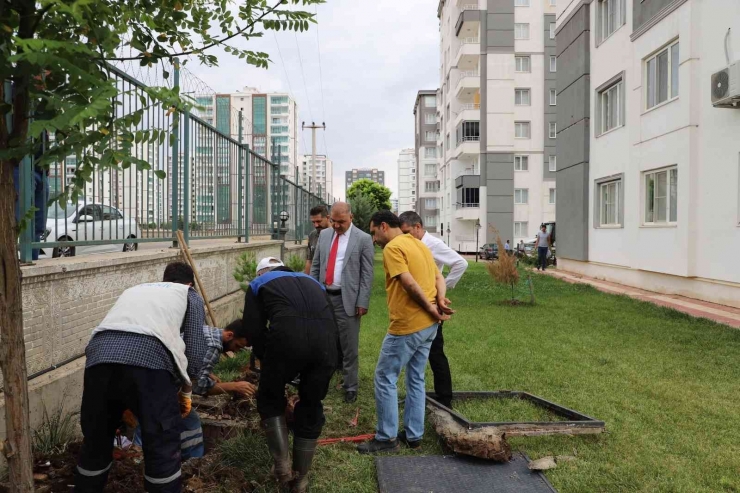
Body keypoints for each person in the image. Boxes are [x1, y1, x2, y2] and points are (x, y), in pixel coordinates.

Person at [75, 262, 209, 493]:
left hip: (98, 357)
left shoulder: (136, 289)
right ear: (190, 283)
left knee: (96, 441)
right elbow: (196, 351)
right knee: (161, 445)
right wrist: (185, 390)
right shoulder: (189, 295)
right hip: (149, 362)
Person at [357, 211, 452, 455]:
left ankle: (387, 438)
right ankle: (413, 435)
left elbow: (409, 284)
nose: (374, 238)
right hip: (429, 326)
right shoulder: (418, 244)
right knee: (416, 377)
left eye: (374, 232)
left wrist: (432, 306)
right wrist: (439, 301)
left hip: (408, 325)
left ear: (384, 226)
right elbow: (439, 277)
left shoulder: (393, 248)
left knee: (385, 377)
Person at [243, 257, 338, 493]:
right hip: (326, 345)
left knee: (269, 398)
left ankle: (282, 466)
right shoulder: (313, 282)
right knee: (311, 403)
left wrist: (267, 356)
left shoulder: (259, 284)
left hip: (286, 338)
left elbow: (252, 329)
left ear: (261, 272)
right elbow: (332, 320)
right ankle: (301, 479)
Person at [131, 319, 255, 460]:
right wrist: (233, 386)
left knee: (187, 421)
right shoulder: (213, 346)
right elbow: (199, 387)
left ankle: (189, 461)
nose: (235, 350)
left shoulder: (205, 331)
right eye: (237, 346)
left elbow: (188, 356)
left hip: (153, 377)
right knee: (150, 423)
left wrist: (205, 372)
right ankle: (136, 462)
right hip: (158, 385)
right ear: (229, 335)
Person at [399, 211, 467, 409]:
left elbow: (460, 263)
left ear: (418, 227)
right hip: (416, 304)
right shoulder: (413, 244)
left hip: (431, 305)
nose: (406, 237)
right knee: (414, 352)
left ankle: (445, 399)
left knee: (435, 352)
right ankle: (415, 396)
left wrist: (442, 289)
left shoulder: (432, 244)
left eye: (408, 232)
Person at [310, 202, 374, 404]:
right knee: (322, 343)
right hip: (323, 297)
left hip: (348, 300)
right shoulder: (325, 235)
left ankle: (350, 386)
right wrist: (313, 291)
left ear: (351, 217)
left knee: (349, 347)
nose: (337, 226)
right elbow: (316, 265)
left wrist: (362, 300)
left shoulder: (363, 239)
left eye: (341, 222)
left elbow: (367, 274)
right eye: (334, 221)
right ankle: (320, 381)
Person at [304, 205, 331, 274]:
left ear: (328, 218)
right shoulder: (312, 235)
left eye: (319, 221)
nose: (316, 225)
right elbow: (309, 261)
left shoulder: (336, 234)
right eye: (313, 222)